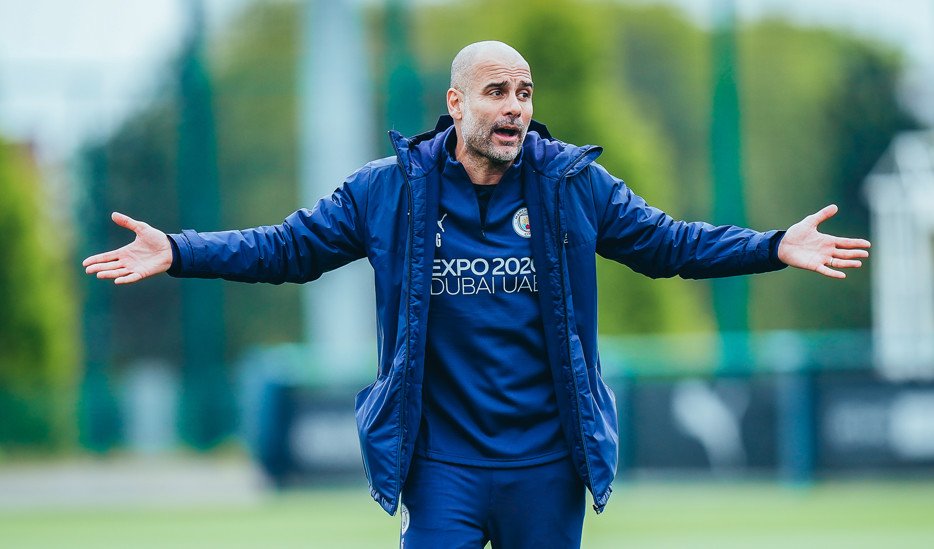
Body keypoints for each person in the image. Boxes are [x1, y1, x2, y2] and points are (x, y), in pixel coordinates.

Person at [83, 41, 870, 548]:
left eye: (524, 92)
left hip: (546, 463)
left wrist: (772, 246)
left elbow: (670, 244)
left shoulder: (572, 186)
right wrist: (180, 250)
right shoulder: (387, 192)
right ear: (456, 105)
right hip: (442, 464)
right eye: (497, 91)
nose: (516, 107)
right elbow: (286, 248)